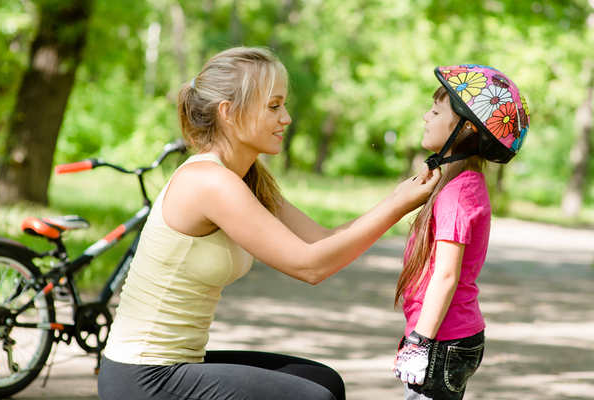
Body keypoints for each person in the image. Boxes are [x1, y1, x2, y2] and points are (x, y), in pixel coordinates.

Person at [97, 46, 441, 400]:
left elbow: (321, 240)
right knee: (312, 398)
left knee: (325, 382)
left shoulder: (245, 176)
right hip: (143, 377)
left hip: (180, 365)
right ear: (229, 113)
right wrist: (398, 206)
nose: (287, 118)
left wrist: (399, 197)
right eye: (274, 106)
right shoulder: (208, 181)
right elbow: (310, 267)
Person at [392, 64, 530, 400]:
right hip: (446, 336)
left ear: (467, 128)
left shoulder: (457, 194)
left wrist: (419, 341)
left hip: (442, 339)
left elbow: (446, 275)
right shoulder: (461, 184)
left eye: (436, 110)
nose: (425, 116)